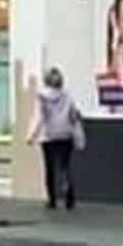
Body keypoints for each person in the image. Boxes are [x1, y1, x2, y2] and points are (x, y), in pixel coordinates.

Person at [27, 66, 84, 210]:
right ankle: (68, 193)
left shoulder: (41, 96)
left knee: (49, 168)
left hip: (48, 136)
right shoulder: (67, 95)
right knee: (64, 167)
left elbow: (39, 116)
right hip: (65, 134)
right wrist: (79, 136)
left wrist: (31, 135)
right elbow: (74, 116)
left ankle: (51, 199)